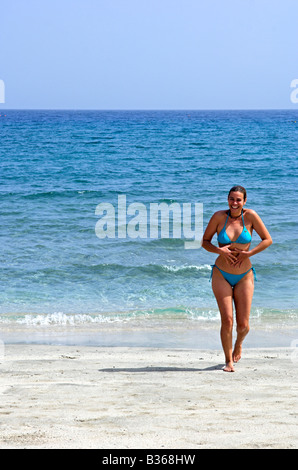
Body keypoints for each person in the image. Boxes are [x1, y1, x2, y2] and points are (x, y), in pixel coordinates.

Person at [202, 186, 272, 372]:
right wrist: (219, 250)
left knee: (243, 326)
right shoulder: (218, 217)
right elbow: (205, 242)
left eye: (238, 200)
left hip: (244, 275)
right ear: (227, 199)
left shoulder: (250, 217)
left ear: (245, 201)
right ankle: (228, 361)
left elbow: (267, 239)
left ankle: (239, 344)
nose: (234, 203)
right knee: (227, 320)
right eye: (232, 199)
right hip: (221, 274)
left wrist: (249, 253)